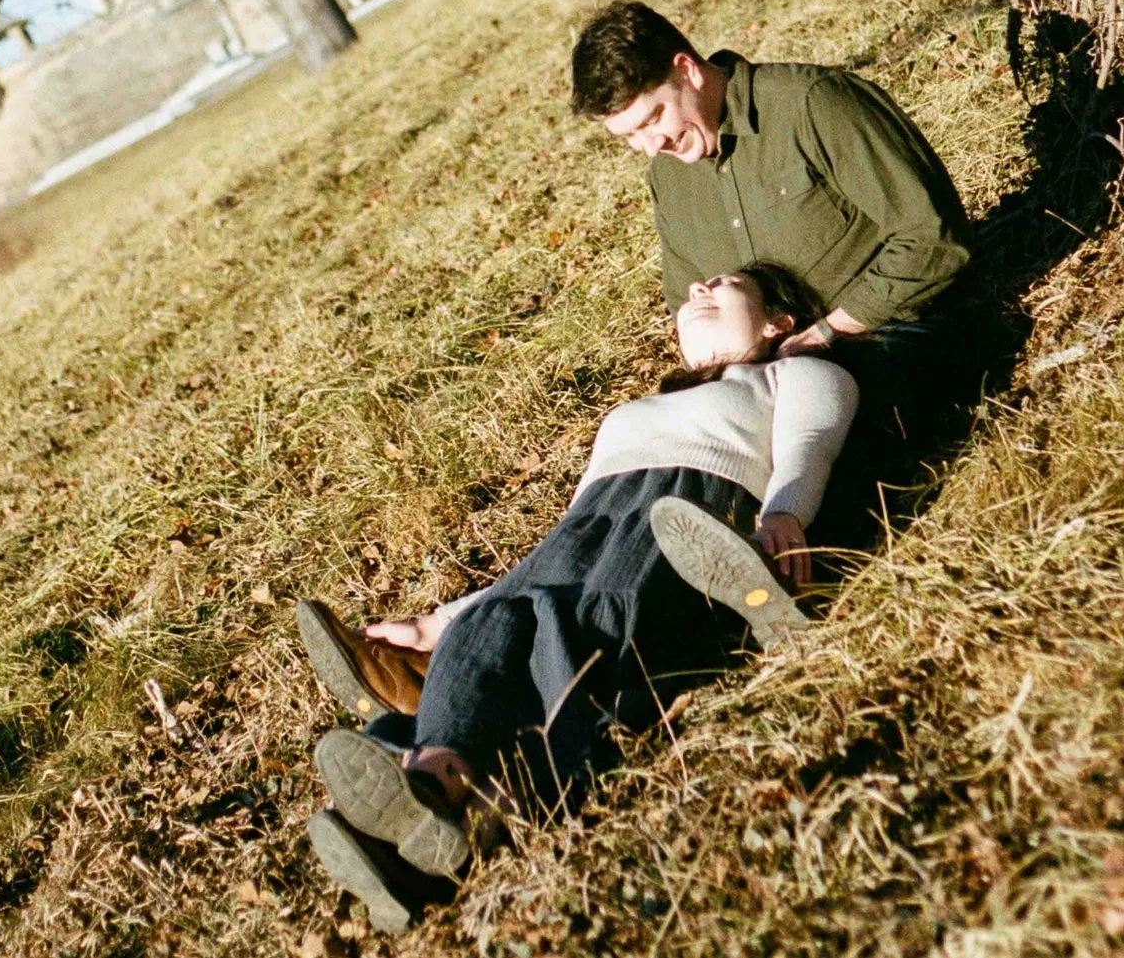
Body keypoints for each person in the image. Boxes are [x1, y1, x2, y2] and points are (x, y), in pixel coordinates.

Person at [299, 264, 858, 930]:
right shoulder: (633, 411)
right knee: (492, 622)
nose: (699, 289)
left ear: (778, 322)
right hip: (586, 527)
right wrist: (436, 623)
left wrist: (783, 516)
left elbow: (810, 446)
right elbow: (556, 542)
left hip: (683, 521)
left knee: (581, 630)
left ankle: (429, 796)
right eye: (695, 287)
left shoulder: (798, 374)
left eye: (725, 282)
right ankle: (421, 822)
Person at [569, 1, 979, 494]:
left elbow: (934, 238)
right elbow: (683, 301)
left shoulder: (814, 104)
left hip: (887, 333)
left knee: (832, 443)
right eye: (629, 136)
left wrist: (828, 330)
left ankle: (775, 530)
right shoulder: (668, 177)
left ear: (687, 70)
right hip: (764, 380)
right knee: (663, 461)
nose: (651, 146)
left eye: (653, 118)